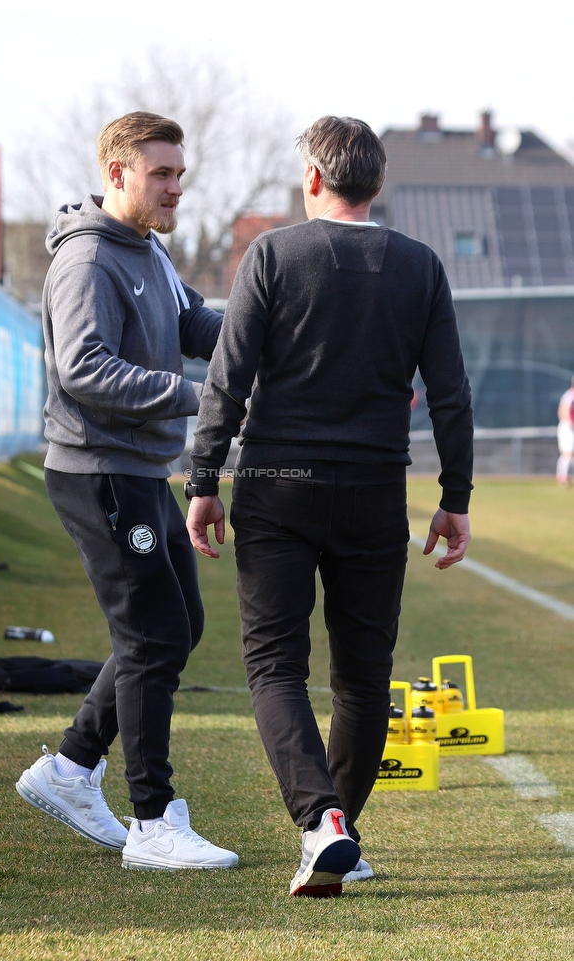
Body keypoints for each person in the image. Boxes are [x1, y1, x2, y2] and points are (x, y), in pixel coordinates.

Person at [185, 116, 473, 897]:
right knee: (363, 677)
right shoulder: (421, 265)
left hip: (278, 485)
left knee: (275, 665)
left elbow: (228, 377)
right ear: (377, 184)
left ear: (313, 179)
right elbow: (449, 394)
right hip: (378, 491)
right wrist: (455, 499)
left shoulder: (273, 254)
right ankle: (337, 828)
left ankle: (322, 824)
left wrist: (202, 480)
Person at [16, 111, 237, 872]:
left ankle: (72, 766)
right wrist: (198, 397)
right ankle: (153, 823)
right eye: (162, 174)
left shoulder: (150, 251)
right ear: (117, 175)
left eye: (180, 171)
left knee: (176, 627)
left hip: (139, 472)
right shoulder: (86, 260)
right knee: (151, 636)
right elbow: (84, 369)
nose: (178, 186)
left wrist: (270, 325)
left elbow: (196, 322)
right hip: (98, 471)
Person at [556, 376, 574, 485]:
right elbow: (563, 410)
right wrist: (569, 422)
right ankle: (562, 477)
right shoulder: (569, 395)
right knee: (567, 453)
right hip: (568, 428)